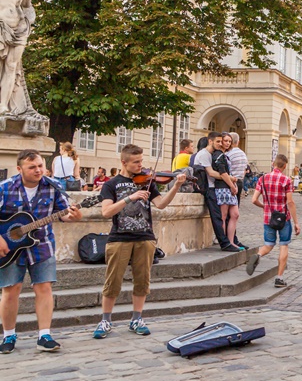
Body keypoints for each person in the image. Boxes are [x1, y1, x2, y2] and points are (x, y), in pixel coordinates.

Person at [93, 144, 186, 339]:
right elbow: (106, 211)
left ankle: (137, 318)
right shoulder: (112, 184)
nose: (140, 166)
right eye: (136, 162)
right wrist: (130, 198)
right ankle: (106, 320)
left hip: (145, 237)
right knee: (113, 282)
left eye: (141, 161)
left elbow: (160, 204)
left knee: (142, 281)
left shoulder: (147, 182)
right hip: (119, 237)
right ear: (124, 162)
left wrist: (176, 186)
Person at [0, 149, 82, 354]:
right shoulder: (5, 188)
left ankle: (44, 335)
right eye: (32, 167)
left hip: (42, 244)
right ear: (19, 169)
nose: (38, 170)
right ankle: (8, 335)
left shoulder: (53, 187)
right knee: (11, 291)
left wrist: (73, 216)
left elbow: (63, 214)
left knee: (44, 288)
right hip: (9, 247)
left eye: (40, 166)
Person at [248, 154, 300, 287]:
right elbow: (290, 202)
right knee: (283, 245)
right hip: (283, 219)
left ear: (273, 164)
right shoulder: (286, 180)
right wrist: (296, 223)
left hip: (268, 218)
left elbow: (254, 200)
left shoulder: (262, 179)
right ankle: (279, 278)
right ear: (284, 166)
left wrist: (264, 206)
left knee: (268, 245)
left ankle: (258, 255)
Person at [193, 132, 241, 251]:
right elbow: (211, 173)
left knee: (226, 216)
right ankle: (224, 243)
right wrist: (230, 178)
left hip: (214, 186)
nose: (221, 144)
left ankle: (232, 241)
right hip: (208, 188)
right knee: (218, 217)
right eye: (218, 142)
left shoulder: (213, 154)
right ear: (210, 141)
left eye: (222, 141)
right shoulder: (204, 154)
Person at [213, 134, 242, 251]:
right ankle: (225, 242)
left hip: (229, 187)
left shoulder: (224, 155)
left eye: (229, 141)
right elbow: (222, 173)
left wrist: (233, 184)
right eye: (225, 141)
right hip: (222, 188)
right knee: (223, 216)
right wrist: (232, 184)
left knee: (235, 214)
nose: (227, 143)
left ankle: (230, 241)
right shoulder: (218, 155)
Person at [225, 133, 248, 204]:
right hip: (240, 181)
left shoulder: (228, 154)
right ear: (238, 142)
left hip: (230, 182)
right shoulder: (243, 154)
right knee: (236, 205)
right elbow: (244, 169)